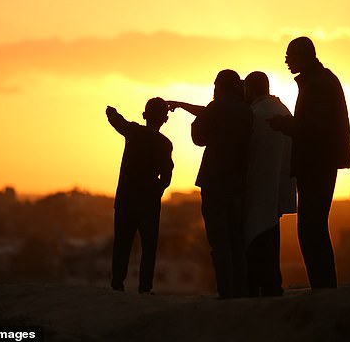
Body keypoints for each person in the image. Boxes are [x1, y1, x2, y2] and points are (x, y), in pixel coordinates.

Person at [268, 37, 350, 289]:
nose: (286, 60)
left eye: (290, 55)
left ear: (304, 56)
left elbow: (315, 130)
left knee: (310, 230)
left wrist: (285, 125)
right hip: (318, 163)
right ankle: (324, 286)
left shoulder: (317, 85)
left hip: (317, 164)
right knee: (314, 228)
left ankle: (323, 288)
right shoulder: (319, 81)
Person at [167, 70, 253, 298]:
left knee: (219, 241)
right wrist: (183, 105)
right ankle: (240, 290)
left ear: (220, 87)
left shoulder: (216, 108)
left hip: (215, 181)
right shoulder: (248, 110)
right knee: (237, 239)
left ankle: (226, 290)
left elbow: (198, 136)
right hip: (239, 183)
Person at [106, 98, 174, 294]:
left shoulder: (134, 132)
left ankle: (117, 283)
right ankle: (145, 288)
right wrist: (156, 191)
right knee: (149, 247)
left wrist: (111, 111)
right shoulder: (164, 144)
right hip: (149, 204)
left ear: (144, 115)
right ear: (165, 119)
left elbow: (117, 121)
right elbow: (167, 175)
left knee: (122, 244)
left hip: (125, 200)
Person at [243, 71, 296, 297]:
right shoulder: (282, 110)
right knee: (271, 238)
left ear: (250, 89)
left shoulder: (256, 113)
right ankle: (272, 284)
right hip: (277, 186)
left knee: (256, 240)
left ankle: (260, 285)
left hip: (257, 185)